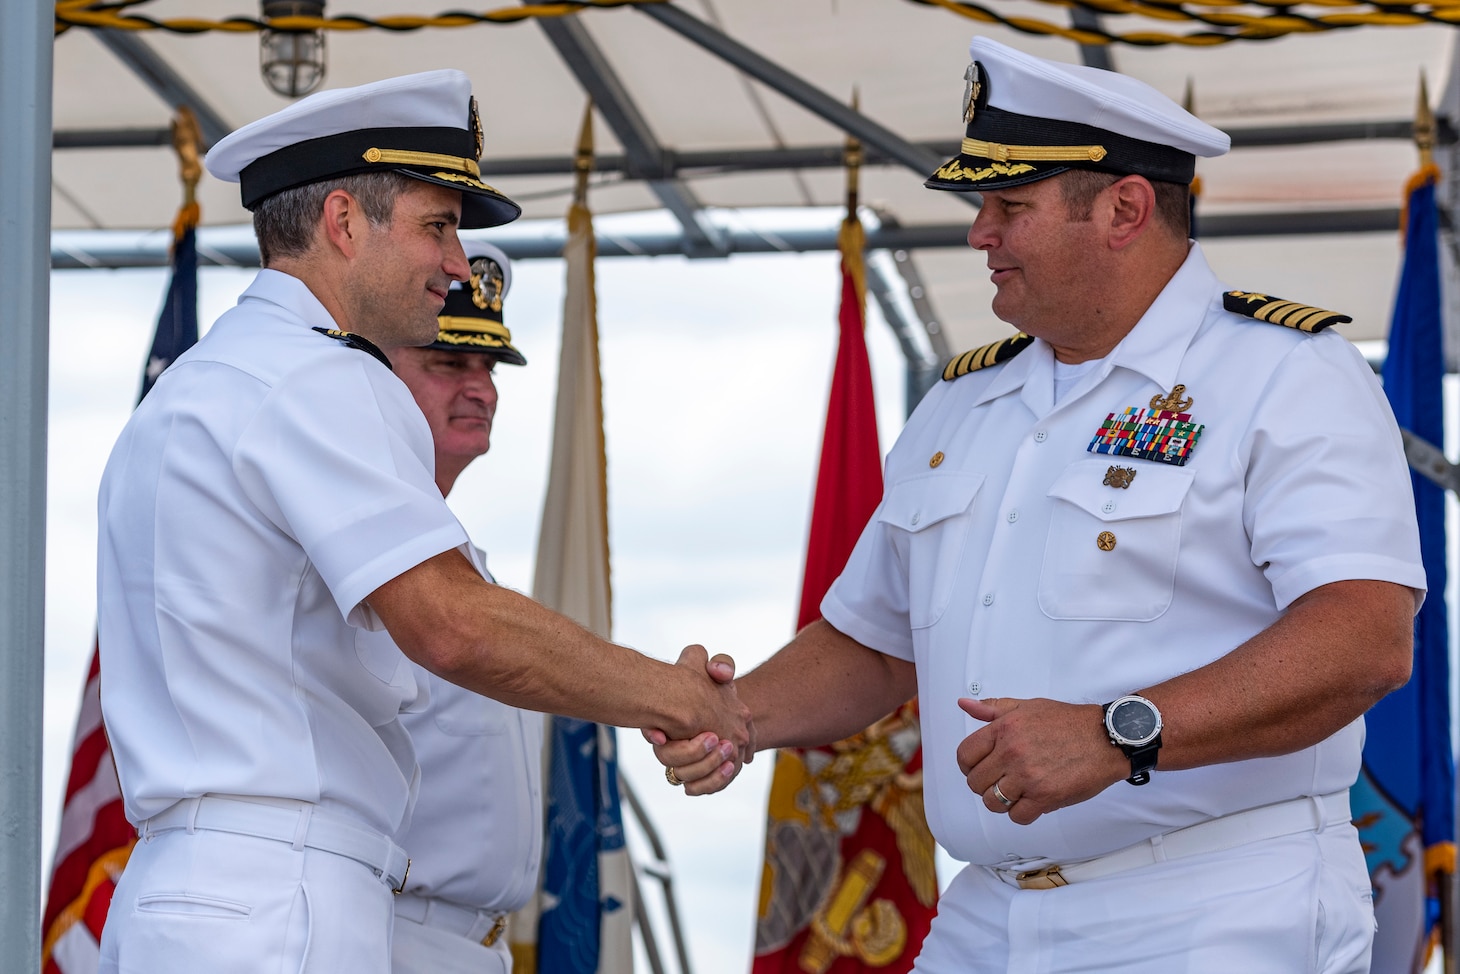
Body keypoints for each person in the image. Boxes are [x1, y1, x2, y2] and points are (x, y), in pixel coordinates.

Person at [651, 37, 1424, 973]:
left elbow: (1364, 638)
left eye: (1009, 206)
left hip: (1214, 909)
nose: (979, 234)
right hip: (990, 915)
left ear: (1124, 210)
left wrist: (1118, 734)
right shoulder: (963, 405)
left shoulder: (1285, 375)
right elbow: (875, 641)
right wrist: (736, 717)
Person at [95, 70, 749, 974]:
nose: (453, 261)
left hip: (198, 894)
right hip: (284, 905)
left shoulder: (200, 389)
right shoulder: (318, 377)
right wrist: (677, 697)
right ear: (343, 222)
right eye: (436, 226)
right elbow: (450, 623)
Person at [381, 242, 540, 973]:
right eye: (449, 365)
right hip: (387, 931)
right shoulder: (369, 558)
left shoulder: (457, 558)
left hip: (470, 943)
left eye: (489, 369)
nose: (480, 388)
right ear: (377, 377)